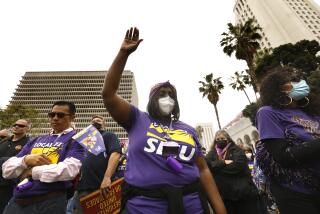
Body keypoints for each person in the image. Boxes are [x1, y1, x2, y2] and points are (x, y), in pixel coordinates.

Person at [101, 27, 226, 214]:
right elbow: (109, 95)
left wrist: (220, 209)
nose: (167, 97)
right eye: (162, 94)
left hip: (191, 205)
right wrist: (123, 54)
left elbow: (203, 170)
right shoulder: (137, 119)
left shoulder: (188, 130)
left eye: (171, 95)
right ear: (152, 99)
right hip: (144, 207)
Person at [255, 66, 320, 214]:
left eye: (299, 79)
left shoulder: (312, 112)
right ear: (278, 89)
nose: (300, 83)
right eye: (292, 81)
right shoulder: (268, 113)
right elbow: (283, 156)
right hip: (297, 193)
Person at [2, 101, 85, 214]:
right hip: (16, 201)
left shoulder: (78, 139)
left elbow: (69, 170)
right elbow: (7, 169)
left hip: (49, 202)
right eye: (52, 115)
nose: (55, 118)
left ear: (72, 117)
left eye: (60, 115)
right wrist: (26, 160)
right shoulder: (36, 140)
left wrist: (32, 171)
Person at [72, 115, 121, 213]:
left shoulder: (109, 135)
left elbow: (115, 154)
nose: (95, 121)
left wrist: (107, 178)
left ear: (104, 125)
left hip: (101, 188)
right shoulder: (85, 139)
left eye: (98, 120)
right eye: (93, 121)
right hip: (82, 188)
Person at [205, 130, 259, 214]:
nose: (220, 140)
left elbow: (236, 167)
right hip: (225, 197)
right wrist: (223, 162)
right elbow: (207, 166)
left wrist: (217, 169)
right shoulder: (212, 153)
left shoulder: (237, 150)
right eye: (217, 139)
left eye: (222, 138)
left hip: (242, 195)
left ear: (228, 139)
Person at [0, 119, 30, 213]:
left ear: (27, 129)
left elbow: (21, 162)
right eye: (15, 124)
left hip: (10, 184)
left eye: (21, 126)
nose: (16, 126)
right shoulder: (4, 142)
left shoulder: (28, 144)